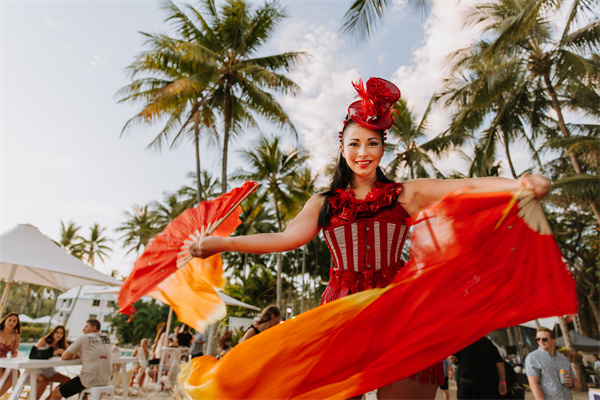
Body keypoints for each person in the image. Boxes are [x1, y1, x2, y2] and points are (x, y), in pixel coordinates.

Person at [189, 77, 551, 399]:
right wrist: (221, 243)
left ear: (382, 147)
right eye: (355, 143)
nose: (363, 153)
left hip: (400, 309)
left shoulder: (405, 193)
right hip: (341, 314)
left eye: (373, 143)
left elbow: (467, 186)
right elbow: (286, 238)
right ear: (342, 147)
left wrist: (521, 183)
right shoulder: (323, 202)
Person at [47, 319, 111, 400]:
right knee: (82, 392)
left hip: (89, 380)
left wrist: (76, 356)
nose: (83, 329)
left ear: (94, 328)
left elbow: (64, 356)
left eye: (86, 327)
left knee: (56, 393)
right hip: (105, 380)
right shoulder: (106, 338)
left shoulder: (84, 338)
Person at [525, 326, 580, 400]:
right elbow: (533, 384)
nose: (541, 341)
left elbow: (577, 384)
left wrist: (572, 384)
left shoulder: (563, 359)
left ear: (553, 340)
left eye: (544, 339)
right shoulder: (533, 357)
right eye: (538, 339)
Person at [34, 326, 70, 400]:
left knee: (67, 381)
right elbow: (34, 353)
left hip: (49, 370)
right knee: (44, 381)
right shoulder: (44, 341)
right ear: (53, 333)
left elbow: (72, 351)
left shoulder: (61, 345)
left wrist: (64, 353)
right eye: (57, 332)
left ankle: (50, 398)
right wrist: (54, 353)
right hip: (37, 369)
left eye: (61, 333)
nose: (59, 335)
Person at [0, 312, 21, 397]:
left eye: (14, 321)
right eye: (10, 320)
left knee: (16, 373)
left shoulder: (16, 335)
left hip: (4, 361)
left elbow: (14, 352)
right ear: (5, 321)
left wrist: (14, 356)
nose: (12, 323)